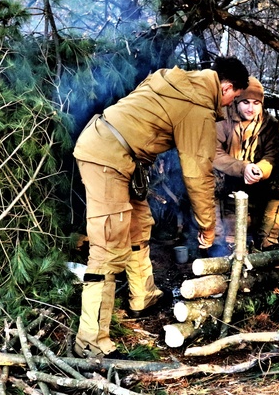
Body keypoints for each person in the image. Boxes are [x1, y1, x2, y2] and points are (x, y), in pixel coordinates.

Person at [72, 56, 250, 357]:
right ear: (227, 87)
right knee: (108, 245)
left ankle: (144, 296)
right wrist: (207, 224)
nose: (232, 103)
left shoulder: (174, 78)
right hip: (106, 156)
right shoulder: (198, 106)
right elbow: (197, 172)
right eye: (235, 96)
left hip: (123, 156)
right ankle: (90, 341)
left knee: (139, 226)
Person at [213, 77, 279, 251]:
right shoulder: (222, 118)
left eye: (256, 103)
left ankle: (267, 239)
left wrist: (260, 170)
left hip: (257, 180)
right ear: (237, 100)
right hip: (228, 176)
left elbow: (272, 155)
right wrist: (242, 167)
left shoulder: (269, 124)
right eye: (245, 102)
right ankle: (217, 239)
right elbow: (214, 153)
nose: (251, 108)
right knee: (207, 177)